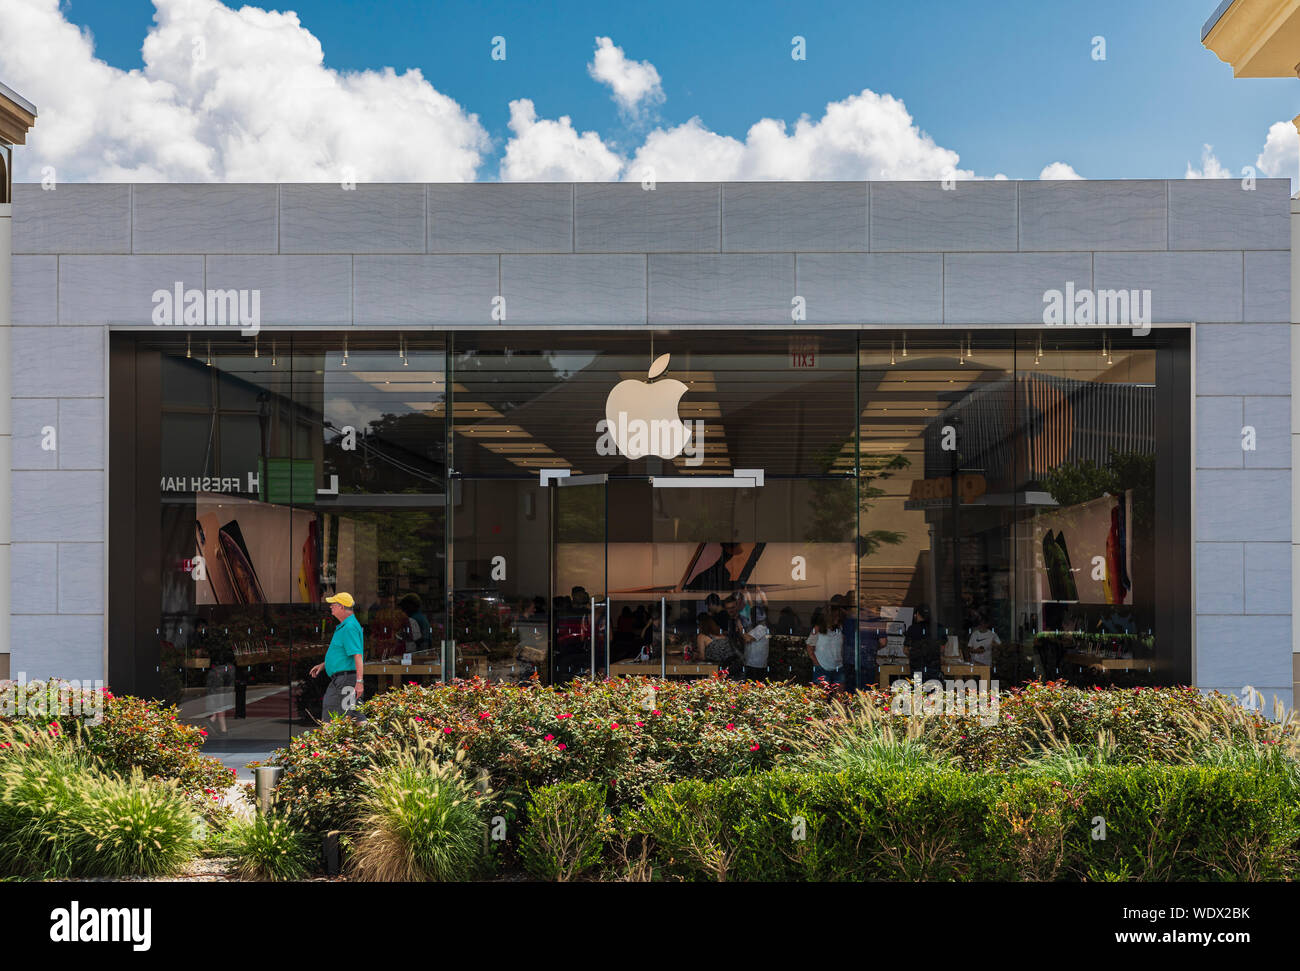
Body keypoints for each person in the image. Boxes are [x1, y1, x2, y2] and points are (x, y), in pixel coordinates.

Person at [310, 592, 365, 721]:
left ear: (341, 607)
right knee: (354, 715)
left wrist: (359, 682)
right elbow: (343, 654)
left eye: (333, 604)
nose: (330, 607)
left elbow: (358, 656)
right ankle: (372, 740)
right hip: (346, 678)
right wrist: (324, 665)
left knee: (332, 713)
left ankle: (328, 740)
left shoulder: (349, 627)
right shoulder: (346, 626)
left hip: (345, 679)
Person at [806, 603, 845, 687]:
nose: (838, 618)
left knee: (839, 697)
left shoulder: (840, 628)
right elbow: (809, 648)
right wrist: (817, 664)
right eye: (836, 616)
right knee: (822, 696)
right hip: (822, 667)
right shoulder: (817, 629)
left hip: (838, 666)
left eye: (839, 616)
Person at [204, 648, 234, 735]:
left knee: (220, 710)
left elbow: (211, 683)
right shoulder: (229, 668)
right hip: (222, 692)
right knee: (221, 711)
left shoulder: (215, 670)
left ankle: (219, 726)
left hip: (217, 692)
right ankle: (222, 728)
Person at [739, 612, 770, 680]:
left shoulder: (761, 628)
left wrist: (739, 625)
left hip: (756, 665)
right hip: (752, 664)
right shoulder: (756, 628)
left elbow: (747, 638)